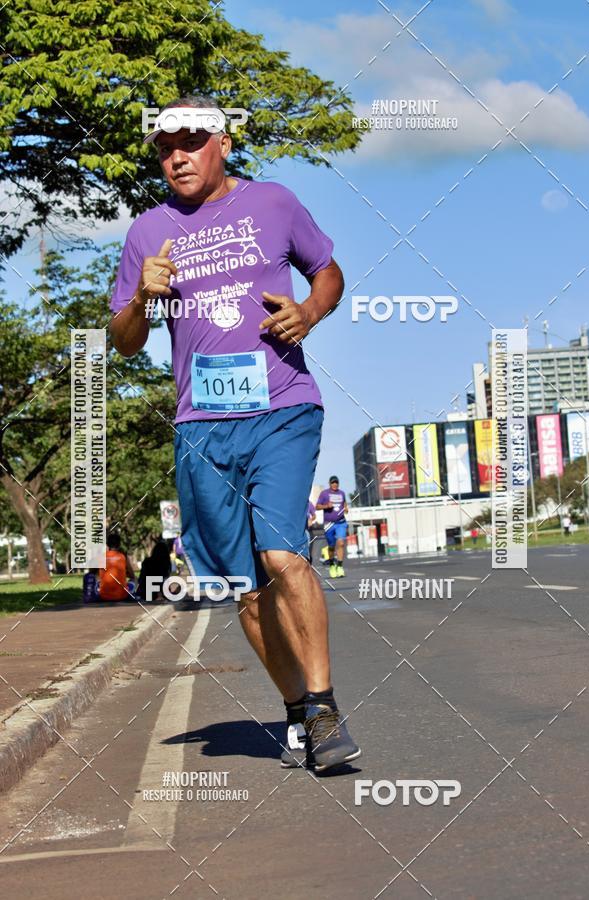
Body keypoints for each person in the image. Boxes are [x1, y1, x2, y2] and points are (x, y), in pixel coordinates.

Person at [108, 95, 360, 772]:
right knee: (245, 590)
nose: (177, 156)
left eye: (191, 140)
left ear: (222, 143)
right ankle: (298, 712)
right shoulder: (146, 232)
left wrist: (310, 310)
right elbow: (124, 342)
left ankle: (326, 704)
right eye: (165, 147)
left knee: (281, 554)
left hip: (281, 408)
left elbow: (327, 271)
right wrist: (141, 299)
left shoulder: (273, 202)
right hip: (201, 427)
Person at [316, 477, 348, 578]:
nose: (335, 484)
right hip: (328, 524)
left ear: (338, 483)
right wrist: (326, 506)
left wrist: (346, 508)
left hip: (341, 522)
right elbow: (317, 506)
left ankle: (339, 566)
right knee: (331, 546)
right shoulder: (324, 493)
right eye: (333, 483)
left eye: (336, 482)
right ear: (329, 483)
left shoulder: (342, 493)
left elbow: (344, 503)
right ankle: (331, 565)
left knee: (341, 543)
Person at [98, 533, 135, 601]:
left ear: (107, 544)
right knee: (134, 580)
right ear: (119, 544)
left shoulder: (101, 557)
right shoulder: (123, 556)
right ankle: (131, 595)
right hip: (122, 596)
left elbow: (93, 573)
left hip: (103, 596)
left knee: (98, 582)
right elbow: (132, 575)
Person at [306, 499, 317, 565]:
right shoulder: (295, 503)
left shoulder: (309, 503)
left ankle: (308, 564)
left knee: (308, 549)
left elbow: (314, 515)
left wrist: (311, 519)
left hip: (307, 529)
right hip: (297, 530)